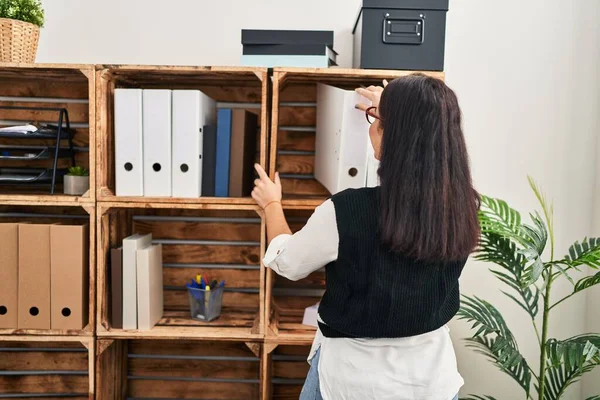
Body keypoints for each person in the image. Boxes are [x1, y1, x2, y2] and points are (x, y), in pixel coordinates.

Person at [251, 73, 480, 400]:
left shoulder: (346, 211)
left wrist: (272, 203)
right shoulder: (464, 206)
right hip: (431, 382)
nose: (371, 127)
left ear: (392, 135)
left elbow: (289, 263)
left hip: (351, 382)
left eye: (376, 120)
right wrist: (392, 106)